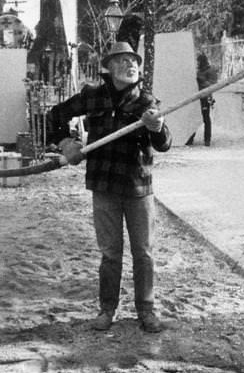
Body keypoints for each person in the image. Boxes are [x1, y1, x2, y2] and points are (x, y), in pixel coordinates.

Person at [48, 41, 172, 333]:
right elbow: (54, 115)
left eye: (133, 61)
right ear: (109, 67)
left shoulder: (146, 102)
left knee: (143, 252)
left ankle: (147, 310)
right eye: (123, 61)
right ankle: (107, 310)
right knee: (110, 253)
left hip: (137, 186)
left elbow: (164, 143)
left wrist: (157, 128)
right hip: (103, 185)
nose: (131, 66)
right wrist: (67, 142)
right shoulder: (92, 96)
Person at [186, 53, 218, 146]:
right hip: (195, 98)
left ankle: (207, 140)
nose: (197, 63)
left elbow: (213, 85)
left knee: (206, 118)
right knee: (193, 118)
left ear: (203, 62)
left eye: (199, 61)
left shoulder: (210, 71)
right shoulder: (198, 71)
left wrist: (202, 81)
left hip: (205, 98)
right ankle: (190, 139)